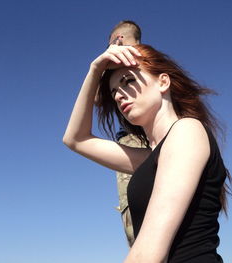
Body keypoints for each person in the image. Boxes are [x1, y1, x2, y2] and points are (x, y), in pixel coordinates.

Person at [63, 35, 232, 262]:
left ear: (163, 82)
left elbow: (148, 254)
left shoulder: (187, 131)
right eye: (114, 93)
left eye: (128, 81)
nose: (119, 95)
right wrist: (94, 70)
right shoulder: (150, 158)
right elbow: (76, 139)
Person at [108, 20, 144, 247]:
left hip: (137, 142)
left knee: (135, 209)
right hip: (152, 140)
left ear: (118, 39)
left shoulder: (134, 64)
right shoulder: (151, 62)